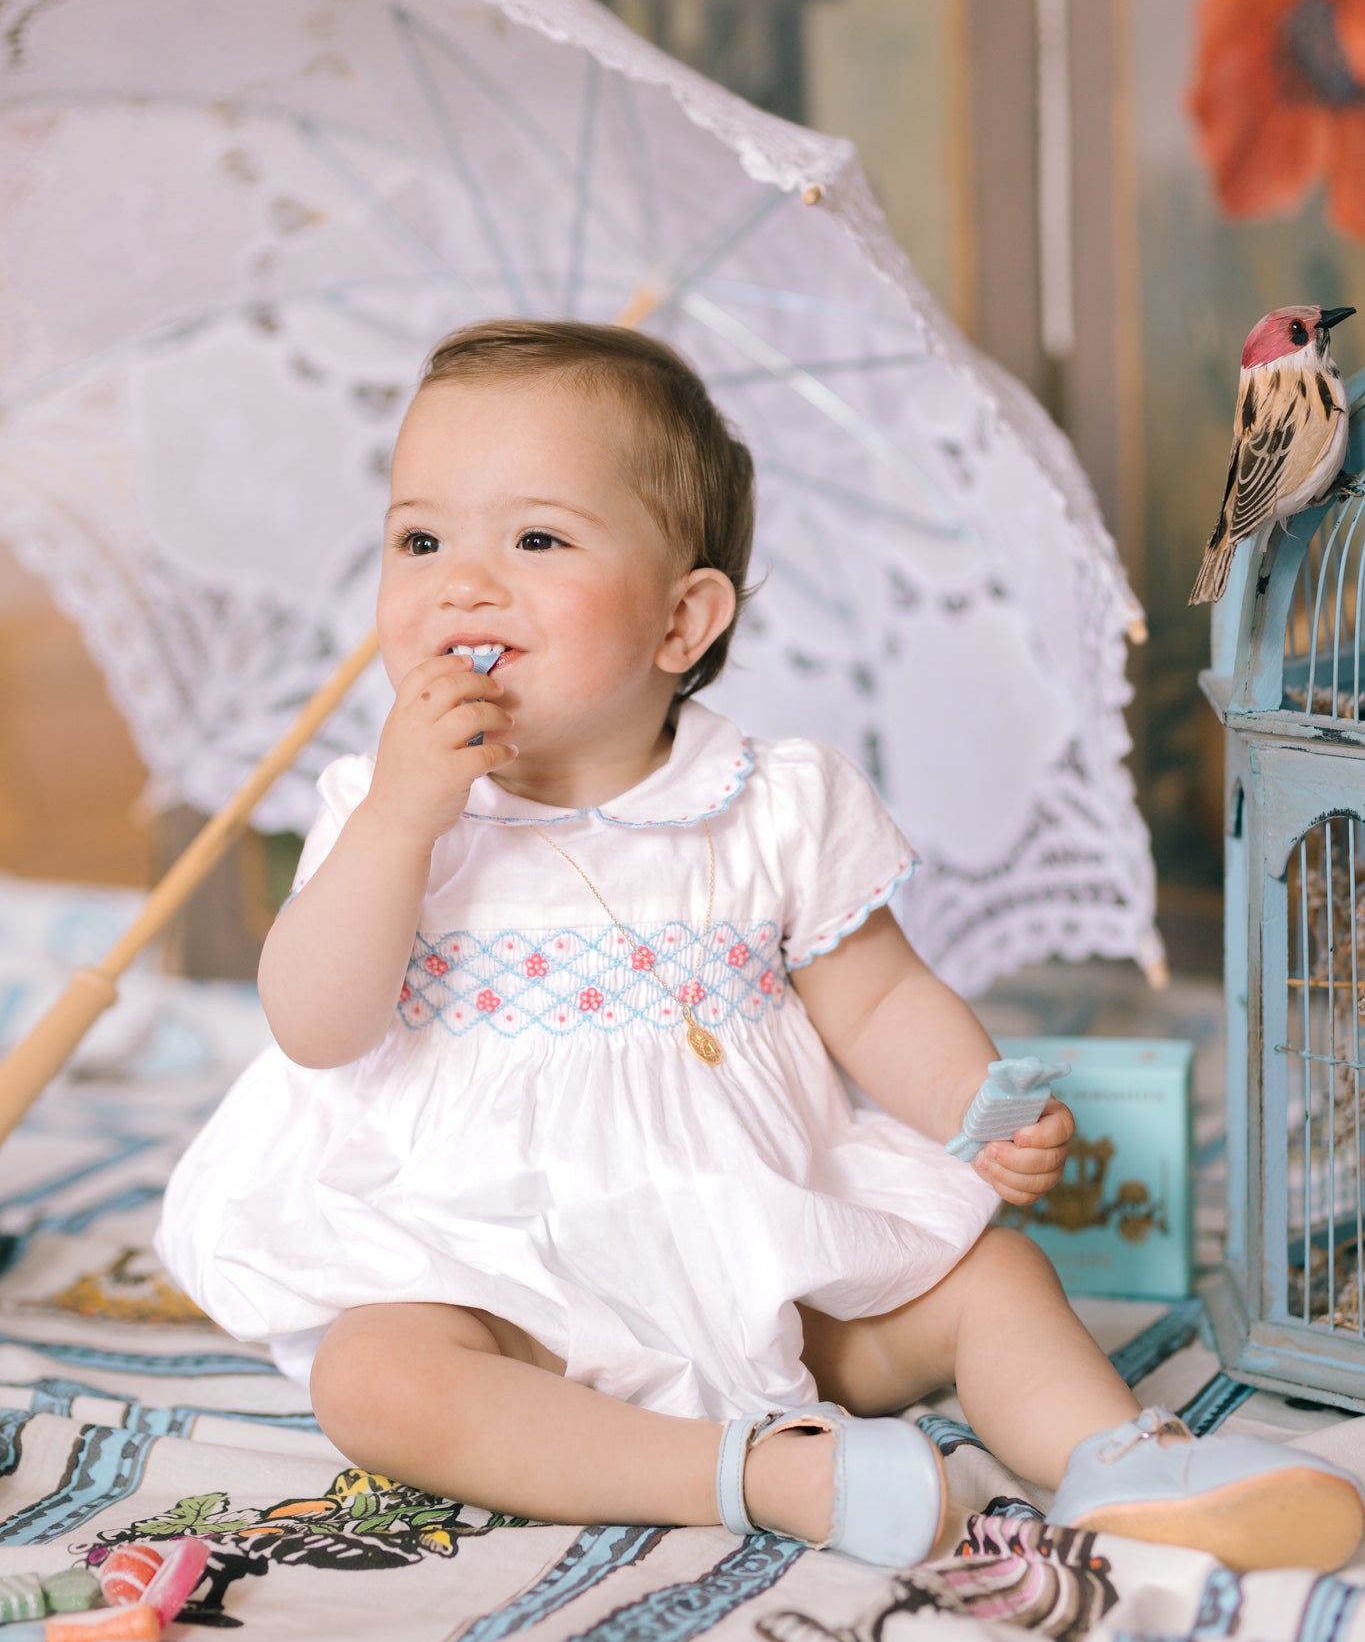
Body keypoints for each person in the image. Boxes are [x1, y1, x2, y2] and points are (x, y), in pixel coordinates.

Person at [157, 321, 1364, 1574]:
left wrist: (971, 1100)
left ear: (683, 619)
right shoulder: (384, 810)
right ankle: (768, 1475)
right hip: (490, 1278)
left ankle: (1119, 1459)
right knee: (376, 1379)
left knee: (991, 1277)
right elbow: (316, 1021)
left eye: (535, 539)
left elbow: (879, 991)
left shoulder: (771, 800)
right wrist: (407, 815)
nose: (462, 583)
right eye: (420, 538)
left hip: (752, 1264)